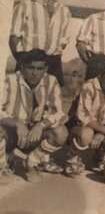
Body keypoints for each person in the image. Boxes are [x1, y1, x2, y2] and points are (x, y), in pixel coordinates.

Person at [0, 49, 68, 183]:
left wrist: (41, 125)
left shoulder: (51, 81)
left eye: (39, 68)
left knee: (61, 133)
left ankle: (32, 162)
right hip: (13, 132)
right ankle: (3, 164)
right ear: (22, 67)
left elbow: (59, 112)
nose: (35, 73)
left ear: (46, 69)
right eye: (31, 68)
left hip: (35, 132)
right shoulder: (9, 81)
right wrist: (17, 123)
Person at [9, 0, 71, 86]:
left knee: (53, 100)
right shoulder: (25, 6)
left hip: (53, 64)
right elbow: (13, 38)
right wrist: (23, 62)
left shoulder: (64, 11)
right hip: (29, 62)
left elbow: (63, 42)